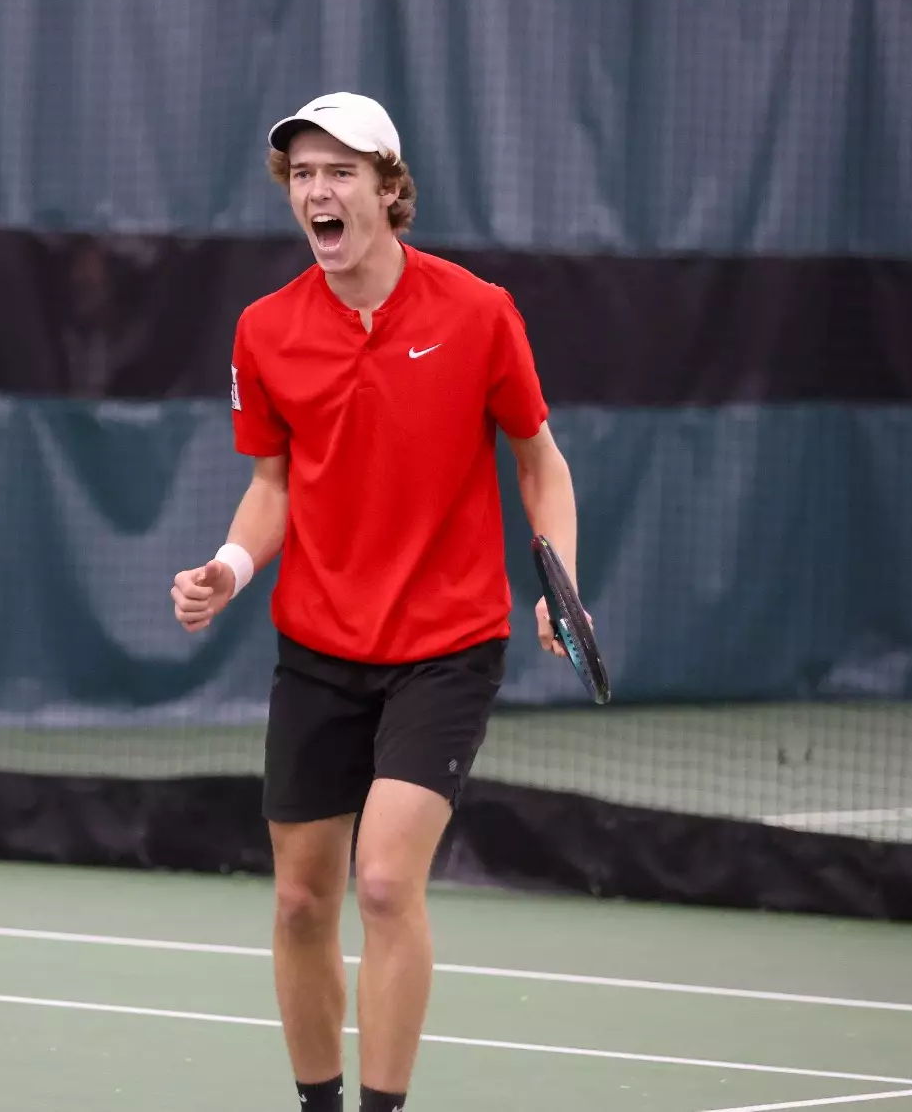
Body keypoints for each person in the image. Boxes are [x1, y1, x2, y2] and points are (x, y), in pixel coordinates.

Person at [170, 94, 585, 1112]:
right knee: (302, 899)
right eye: (302, 175)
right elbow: (271, 486)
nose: (317, 190)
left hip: (445, 644)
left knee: (387, 881)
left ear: (387, 191)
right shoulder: (265, 331)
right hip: (316, 646)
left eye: (340, 172)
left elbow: (538, 460)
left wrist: (555, 574)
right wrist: (227, 566)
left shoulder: (476, 312)